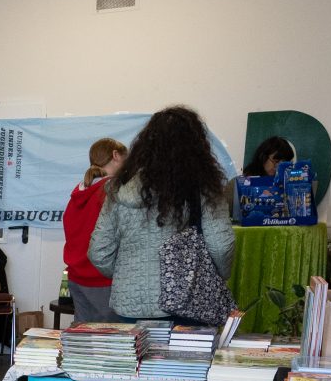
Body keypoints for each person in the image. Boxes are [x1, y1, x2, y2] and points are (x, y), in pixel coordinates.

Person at [86, 105, 236, 322]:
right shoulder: (203, 187)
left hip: (129, 307)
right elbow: (221, 246)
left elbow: (99, 252)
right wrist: (218, 274)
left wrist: (127, 273)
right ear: (196, 145)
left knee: (136, 347)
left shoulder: (120, 188)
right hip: (187, 304)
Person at [60, 137, 126, 324]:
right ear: (116, 155)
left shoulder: (79, 192)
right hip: (103, 279)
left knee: (83, 337)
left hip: (77, 278)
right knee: (111, 338)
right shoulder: (114, 191)